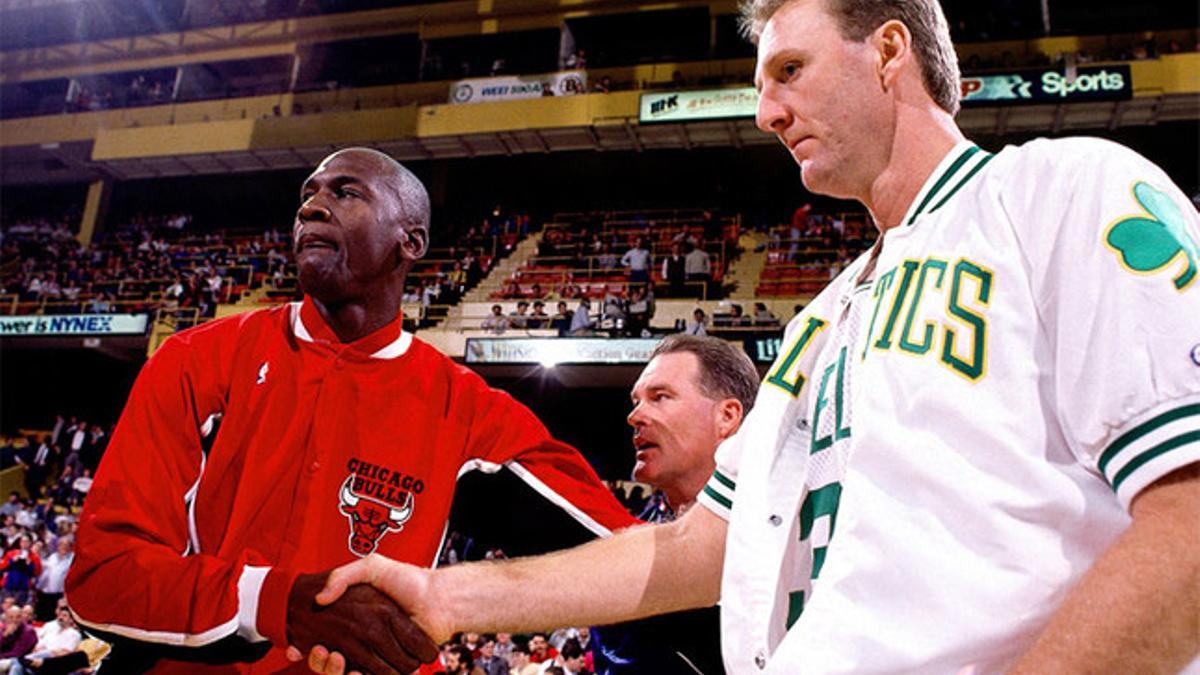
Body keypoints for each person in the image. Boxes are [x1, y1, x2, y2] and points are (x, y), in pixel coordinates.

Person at [302, 1, 1200, 673]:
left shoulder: (1070, 191)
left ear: (889, 49)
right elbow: (702, 547)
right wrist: (450, 596)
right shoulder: (821, 321)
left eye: (791, 71)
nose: (767, 111)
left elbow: (1189, 514)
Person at [64, 148, 637, 674]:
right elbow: (101, 579)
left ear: (410, 242)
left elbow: (624, 557)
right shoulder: (196, 360)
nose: (312, 206)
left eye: (345, 193)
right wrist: (279, 604)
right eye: (308, 195)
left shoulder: (466, 410)